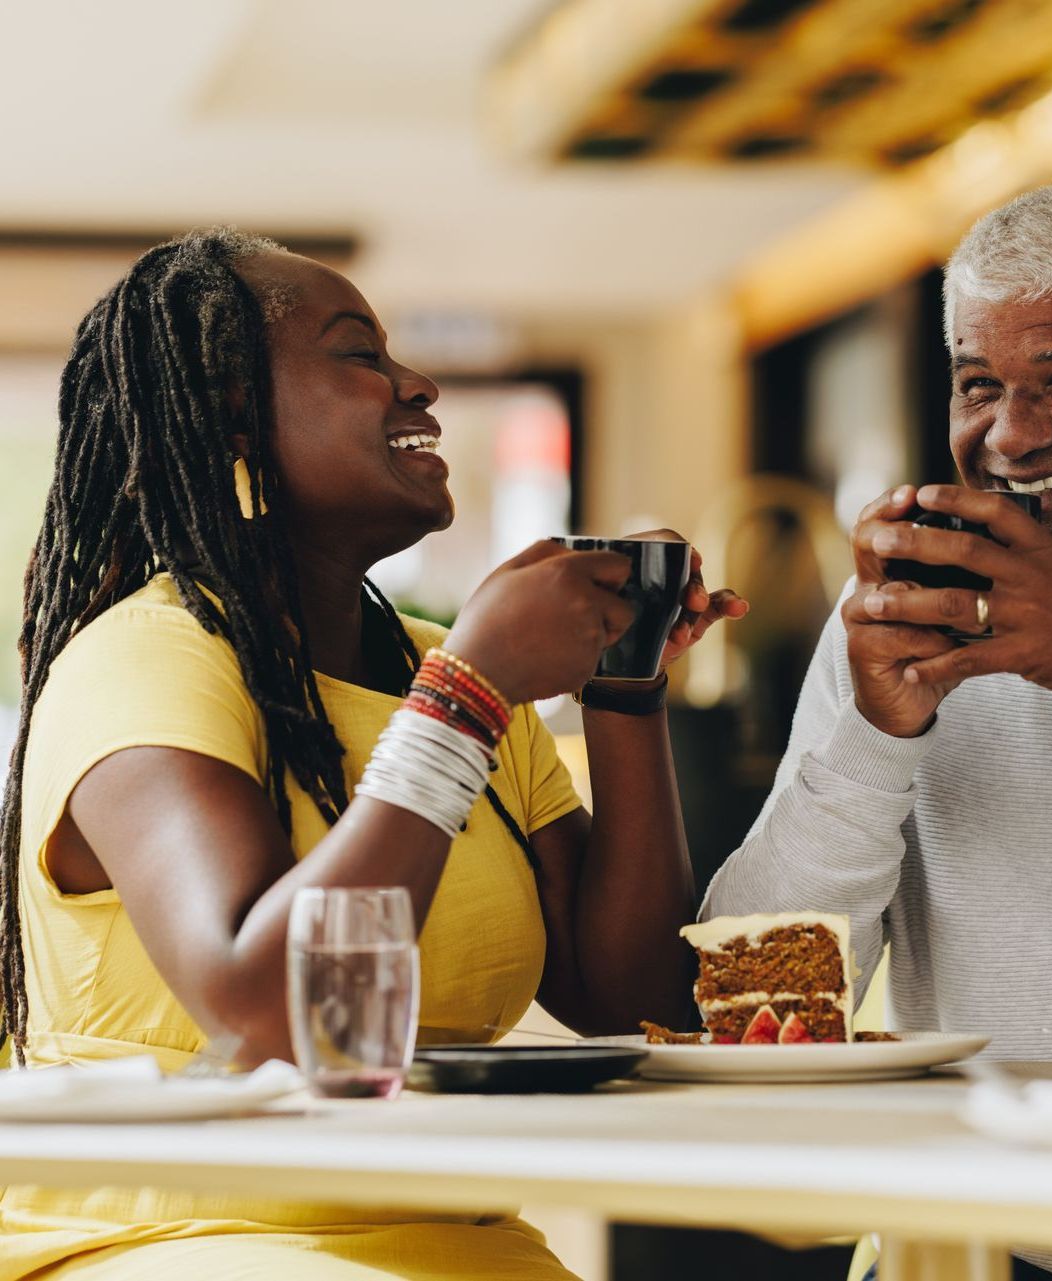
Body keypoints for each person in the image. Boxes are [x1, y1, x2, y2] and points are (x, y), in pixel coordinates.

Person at [0, 229, 747, 1280]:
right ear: (233, 412)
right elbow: (270, 1014)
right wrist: (469, 694)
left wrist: (625, 686)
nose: (419, 385)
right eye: (361, 356)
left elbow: (635, 1003)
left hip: (449, 1235)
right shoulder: (147, 657)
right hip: (172, 1233)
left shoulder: (439, 672)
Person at [703, 183, 1052, 1279]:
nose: (1009, 435)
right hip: (969, 1240)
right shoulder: (899, 618)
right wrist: (877, 734)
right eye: (980, 385)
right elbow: (754, 993)